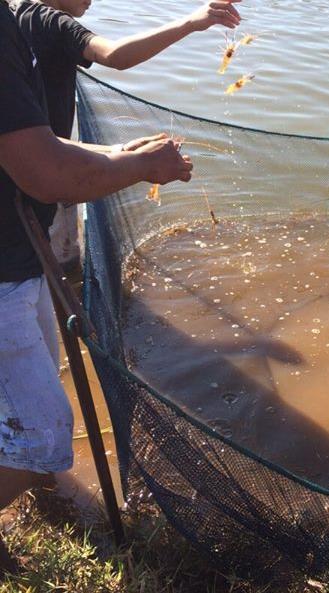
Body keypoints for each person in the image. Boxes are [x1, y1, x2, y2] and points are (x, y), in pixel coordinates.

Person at [0, 0, 193, 572]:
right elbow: (45, 170)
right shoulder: (29, 20)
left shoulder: (15, 20)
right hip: (4, 270)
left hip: (23, 256)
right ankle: (32, 478)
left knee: (25, 402)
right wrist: (137, 167)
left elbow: (29, 146)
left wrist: (116, 155)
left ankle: (39, 490)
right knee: (42, 435)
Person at [11, 0, 241, 272]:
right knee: (58, 266)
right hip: (54, 176)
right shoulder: (51, 20)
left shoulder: (15, 15)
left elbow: (37, 138)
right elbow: (115, 55)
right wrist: (191, 22)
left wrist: (116, 150)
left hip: (27, 170)